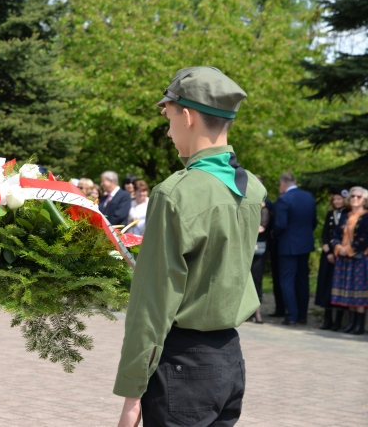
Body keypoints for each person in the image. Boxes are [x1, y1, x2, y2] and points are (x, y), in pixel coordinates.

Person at [115, 66, 264, 427]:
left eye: (168, 117)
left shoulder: (175, 193)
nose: (168, 130)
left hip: (181, 365)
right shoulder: (251, 187)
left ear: (188, 116)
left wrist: (132, 393)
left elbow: (153, 303)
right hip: (229, 360)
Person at [272, 172, 318, 327]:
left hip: (288, 245)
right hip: (305, 244)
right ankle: (302, 316)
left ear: (283, 184)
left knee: (287, 281)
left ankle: (291, 315)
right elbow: (313, 222)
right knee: (302, 281)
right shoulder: (309, 197)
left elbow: (280, 224)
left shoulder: (284, 199)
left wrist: (274, 234)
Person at [330, 186, 368, 335]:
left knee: (359, 290)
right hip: (344, 257)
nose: (355, 198)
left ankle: (359, 325)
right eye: (352, 196)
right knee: (349, 290)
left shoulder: (366, 216)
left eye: (358, 196)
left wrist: (350, 249)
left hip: (359, 257)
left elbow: (365, 236)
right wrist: (338, 247)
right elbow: (335, 233)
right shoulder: (345, 216)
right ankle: (351, 323)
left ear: (365, 200)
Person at [318, 188, 348, 330]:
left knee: (338, 285)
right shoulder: (331, 214)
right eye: (334, 199)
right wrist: (327, 248)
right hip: (328, 253)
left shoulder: (349, 214)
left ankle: (338, 321)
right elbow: (325, 233)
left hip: (341, 253)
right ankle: (327, 319)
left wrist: (336, 250)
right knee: (326, 285)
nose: (336, 201)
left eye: (339, 199)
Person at [250, 196, 271, 324]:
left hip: (258, 250)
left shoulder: (264, 210)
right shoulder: (250, 207)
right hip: (247, 249)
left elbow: (261, 228)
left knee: (256, 280)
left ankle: (257, 313)